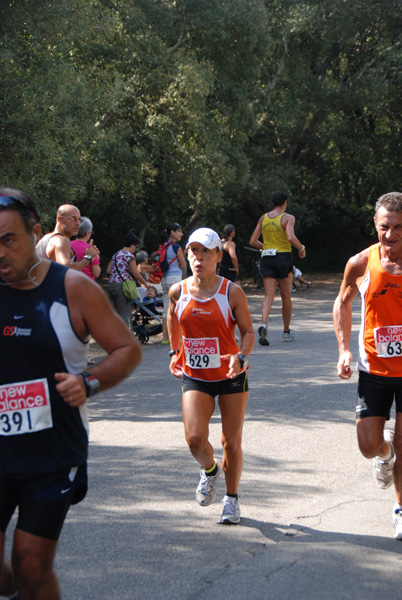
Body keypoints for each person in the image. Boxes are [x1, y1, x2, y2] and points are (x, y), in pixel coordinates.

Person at [0, 187, 142, 599]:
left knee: (30, 564)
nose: (1, 252)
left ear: (36, 234)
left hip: (52, 452)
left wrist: (88, 382)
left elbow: (128, 349)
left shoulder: (72, 288)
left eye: (9, 240)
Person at [167, 227, 255, 524]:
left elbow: (247, 332)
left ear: (219, 255)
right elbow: (171, 316)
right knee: (194, 439)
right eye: (193, 251)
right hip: (196, 375)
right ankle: (209, 470)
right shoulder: (177, 291)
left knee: (231, 442)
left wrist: (241, 355)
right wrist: (174, 350)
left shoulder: (231, 292)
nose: (198, 257)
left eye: (205, 251)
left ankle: (231, 500)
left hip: (231, 375)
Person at [333, 191, 402, 541]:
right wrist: (344, 349)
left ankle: (401, 509)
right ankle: (385, 453)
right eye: (384, 227)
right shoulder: (360, 263)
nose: (390, 236)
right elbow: (342, 302)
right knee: (367, 445)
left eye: (398, 228)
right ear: (375, 224)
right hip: (373, 368)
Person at [249, 191, 306, 346]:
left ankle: (264, 323)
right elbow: (290, 237)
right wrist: (301, 248)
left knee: (269, 295)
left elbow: (253, 240)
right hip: (283, 257)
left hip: (267, 257)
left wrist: (265, 247)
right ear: (285, 203)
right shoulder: (288, 218)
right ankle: (286, 331)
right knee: (286, 295)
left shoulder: (264, 218)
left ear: (273, 203)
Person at [106, 233, 152, 327]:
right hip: (122, 287)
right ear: (132, 244)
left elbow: (108, 270)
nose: (135, 248)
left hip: (111, 285)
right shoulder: (129, 256)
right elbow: (136, 274)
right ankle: (125, 339)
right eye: (136, 246)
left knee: (113, 313)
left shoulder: (116, 254)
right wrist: (145, 283)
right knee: (124, 314)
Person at [36, 204, 99, 270]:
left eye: (79, 220)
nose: (78, 223)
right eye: (72, 219)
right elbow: (66, 267)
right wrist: (88, 257)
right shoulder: (61, 240)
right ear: (60, 219)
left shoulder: (47, 237)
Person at [160, 223, 186, 345]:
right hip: (175, 279)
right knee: (177, 308)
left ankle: (165, 337)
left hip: (164, 279)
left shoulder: (164, 245)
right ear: (172, 232)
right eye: (179, 231)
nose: (181, 234)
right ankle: (177, 336)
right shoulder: (176, 247)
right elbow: (183, 264)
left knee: (166, 309)